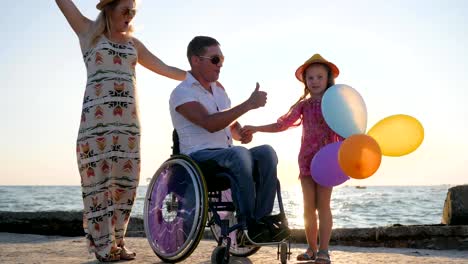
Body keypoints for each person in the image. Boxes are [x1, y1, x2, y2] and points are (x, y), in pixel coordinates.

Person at [55, 0, 186, 262]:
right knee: (98, 186)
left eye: (133, 12)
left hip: (128, 128)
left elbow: (165, 68)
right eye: (124, 10)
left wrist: (197, 77)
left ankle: (117, 243)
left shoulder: (133, 45)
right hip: (95, 128)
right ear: (109, 9)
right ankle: (103, 247)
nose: (130, 16)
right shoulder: (88, 33)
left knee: (125, 187)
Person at [169, 36, 289, 244]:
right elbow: (209, 123)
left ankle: (260, 221)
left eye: (222, 59)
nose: (220, 65)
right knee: (239, 154)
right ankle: (248, 222)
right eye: (215, 59)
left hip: (228, 154)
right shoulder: (181, 93)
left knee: (267, 152)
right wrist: (249, 104)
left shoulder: (219, 91)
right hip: (197, 159)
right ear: (196, 60)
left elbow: (228, 124)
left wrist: (241, 133)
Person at [242, 54, 343, 263]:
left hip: (327, 160)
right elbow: (282, 124)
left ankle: (324, 250)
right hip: (306, 159)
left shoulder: (335, 103)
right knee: (308, 207)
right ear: (305, 81)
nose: (314, 81)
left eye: (319, 77)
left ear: (328, 80)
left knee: (323, 205)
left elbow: (345, 128)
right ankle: (311, 249)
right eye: (310, 78)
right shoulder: (304, 106)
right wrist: (257, 128)